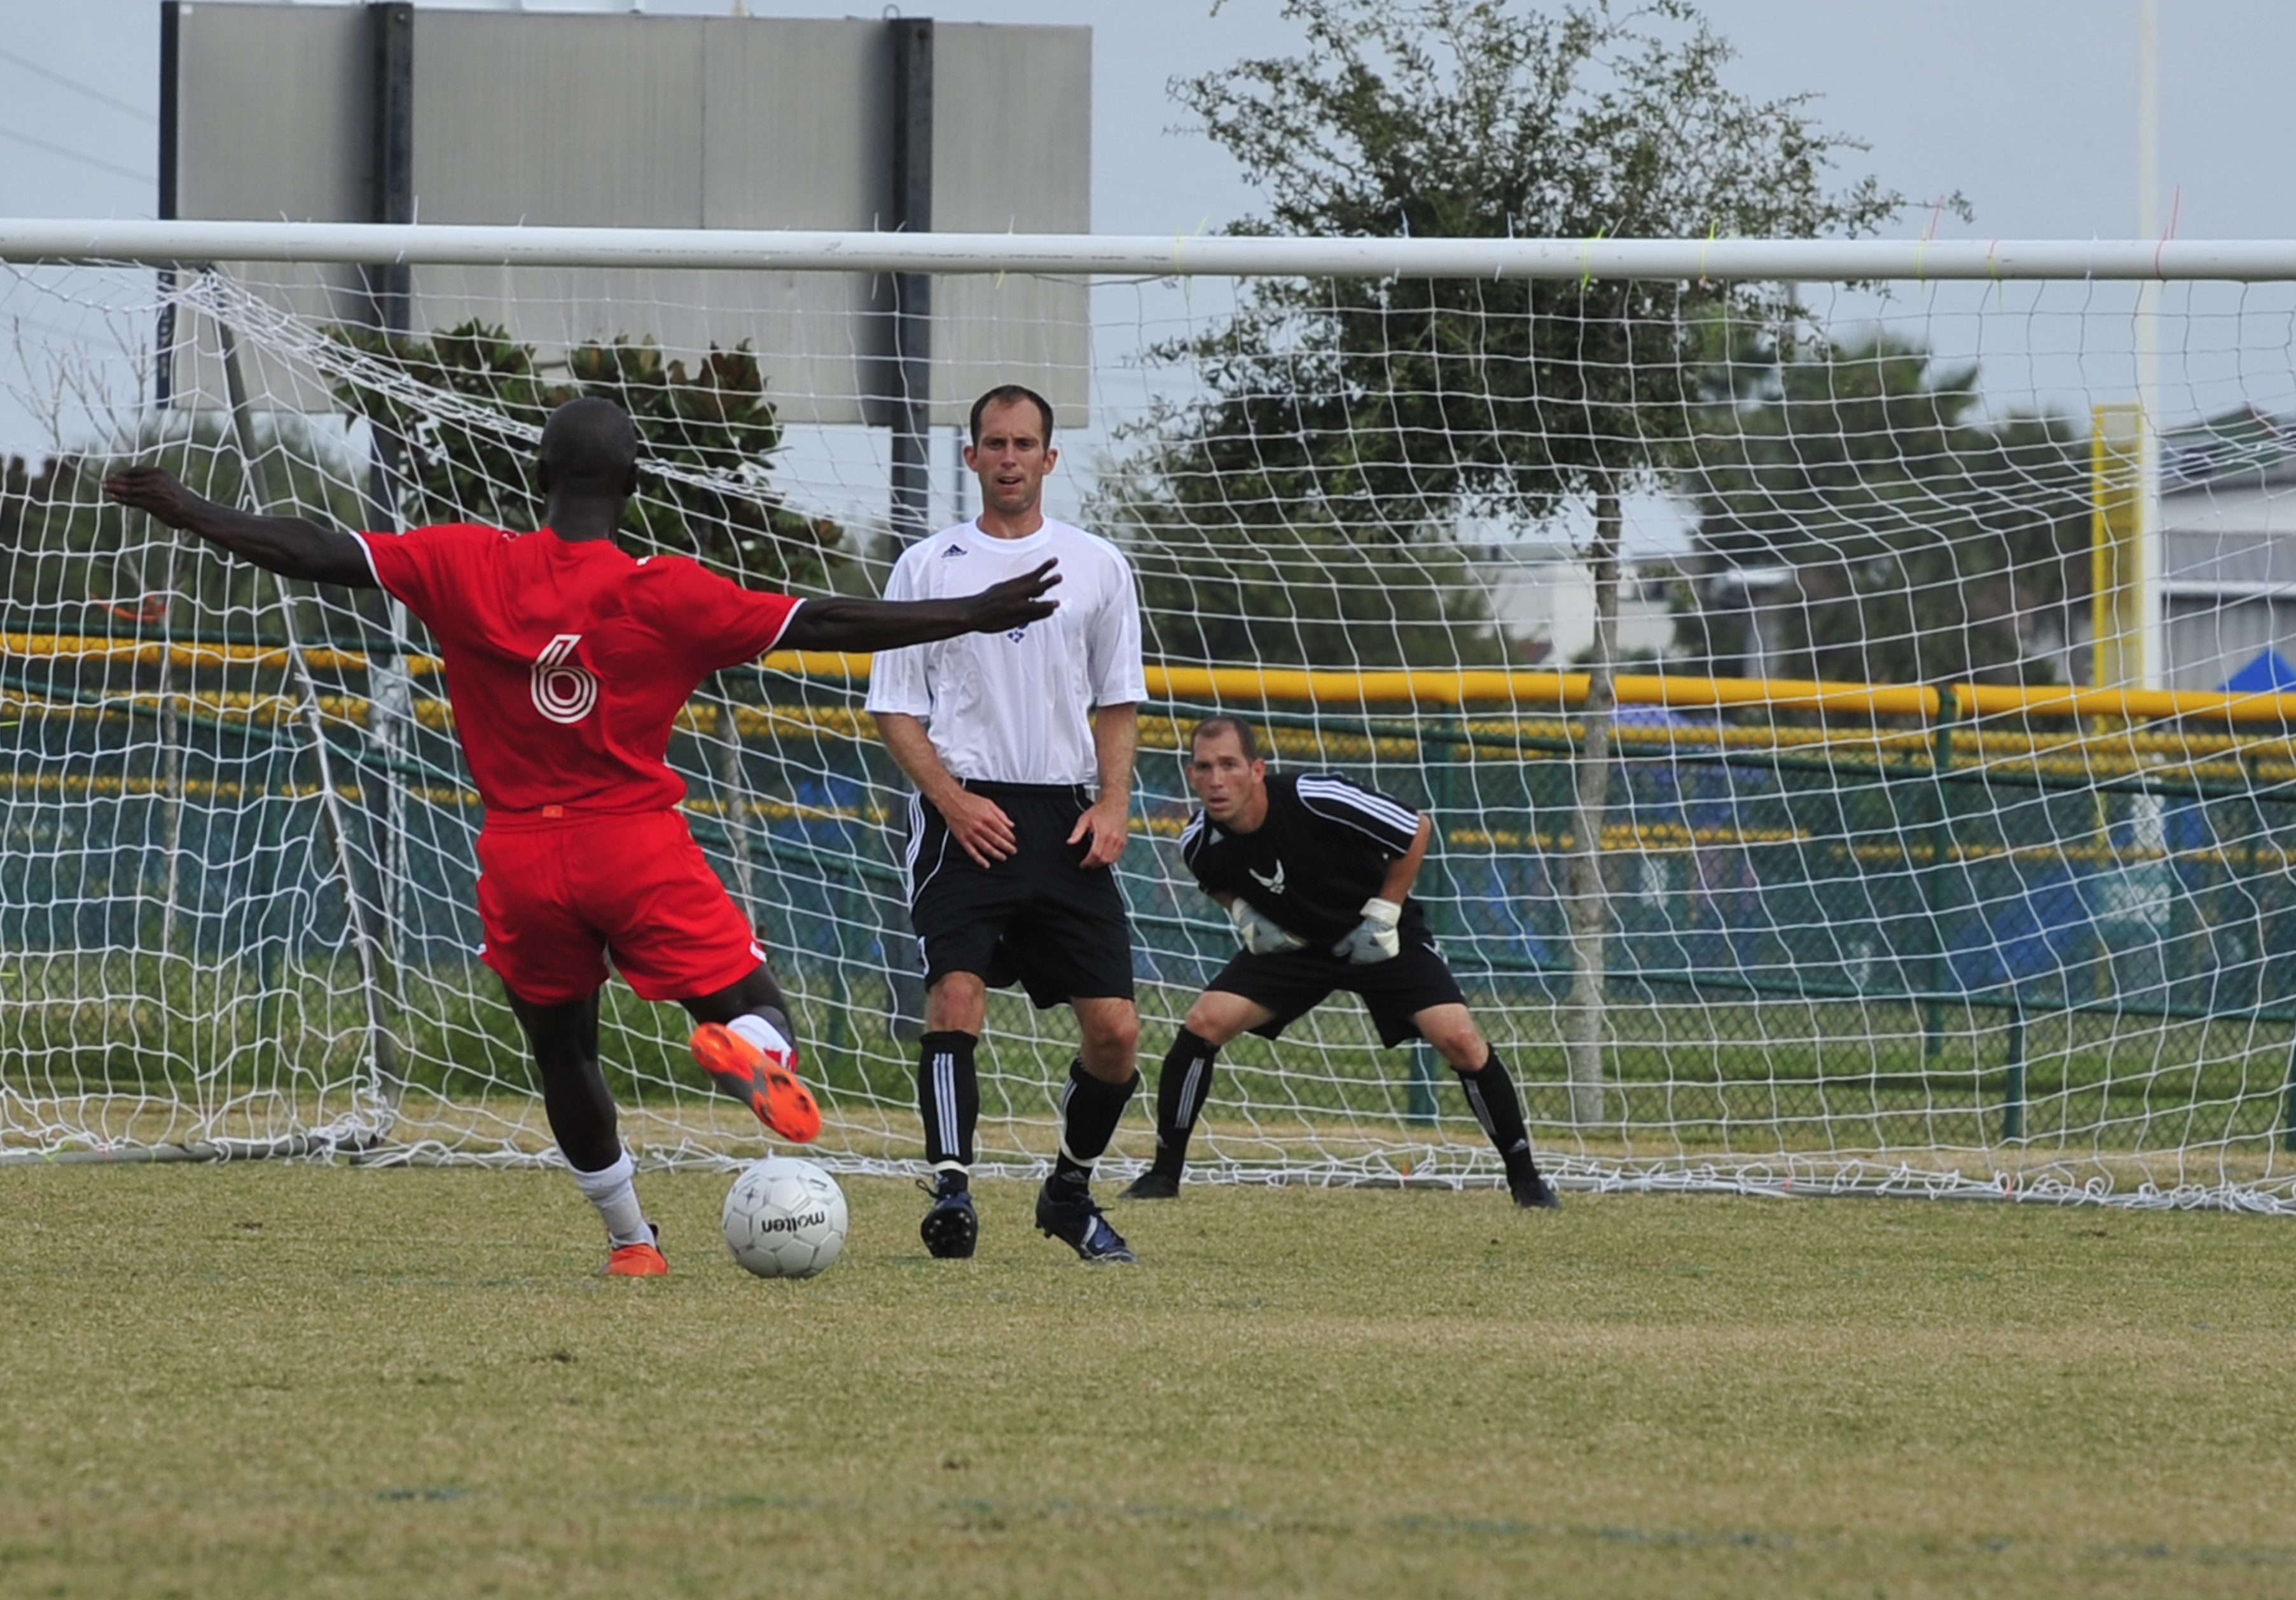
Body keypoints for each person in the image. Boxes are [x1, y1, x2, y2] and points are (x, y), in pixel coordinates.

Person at [104, 398, 1056, 1276]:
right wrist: (965, 613)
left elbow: (317, 549)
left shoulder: (467, 562)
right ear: (634, 488)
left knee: (566, 1054)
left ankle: (632, 1243)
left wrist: (190, 508)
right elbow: (827, 621)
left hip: (521, 853)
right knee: (757, 1003)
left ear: (537, 480)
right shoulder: (668, 591)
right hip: (631, 845)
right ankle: (753, 1053)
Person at [868, 383, 1146, 1264]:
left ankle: (1069, 1193)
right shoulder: (927, 566)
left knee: (1117, 1031)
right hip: (967, 814)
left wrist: (1112, 803)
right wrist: (952, 800)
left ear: (1050, 459)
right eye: (995, 443)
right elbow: (896, 709)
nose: (1011, 458)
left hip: (1066, 819)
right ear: (973, 457)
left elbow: (1117, 702)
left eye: (1026, 443)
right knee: (955, 995)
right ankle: (951, 1193)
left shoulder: (1098, 564)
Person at [1128, 714, 1558, 1210]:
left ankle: (1526, 1180)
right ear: (1191, 775)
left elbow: (1416, 828)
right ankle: (1163, 1176)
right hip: (1296, 948)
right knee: (1204, 1023)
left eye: (1229, 764)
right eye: (1204, 767)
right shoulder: (1198, 842)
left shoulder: (1317, 796)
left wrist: (1386, 910)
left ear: (1257, 769)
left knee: (1460, 1040)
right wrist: (1243, 912)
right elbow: (1215, 881)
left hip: (1377, 934)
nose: (1216, 780)